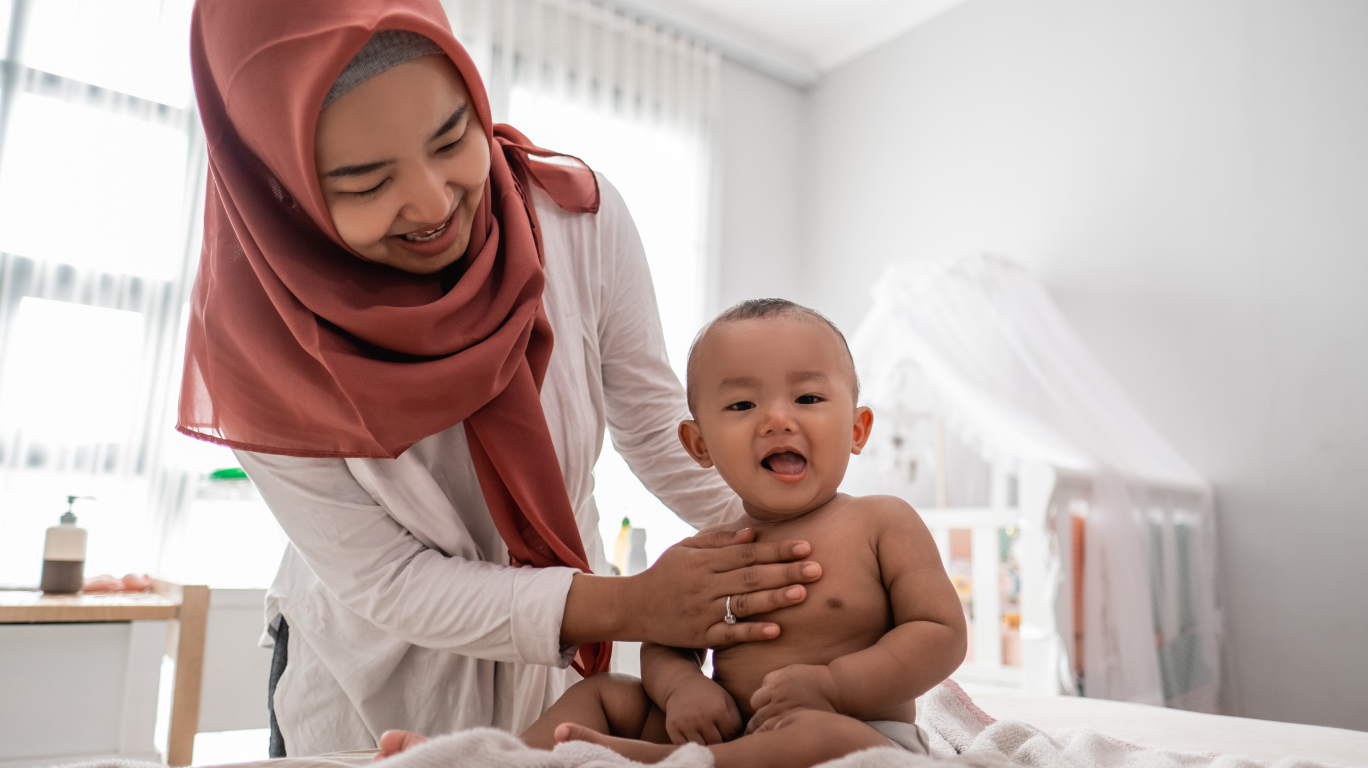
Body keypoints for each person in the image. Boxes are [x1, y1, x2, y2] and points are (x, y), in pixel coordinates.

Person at [180, 0, 821, 756]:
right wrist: (632, 605)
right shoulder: (258, 344)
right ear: (281, 187)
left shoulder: (575, 219)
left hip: (561, 662)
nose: (431, 202)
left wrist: (809, 545)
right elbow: (390, 582)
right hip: (378, 673)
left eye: (454, 138)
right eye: (364, 183)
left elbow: (651, 424)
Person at [377, 299, 968, 767]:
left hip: (855, 731)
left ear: (859, 428)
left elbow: (940, 632)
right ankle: (500, 761)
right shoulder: (707, 553)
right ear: (699, 445)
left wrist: (837, 687)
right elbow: (665, 640)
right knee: (607, 692)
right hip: (730, 724)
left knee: (819, 737)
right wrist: (685, 688)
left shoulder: (882, 522)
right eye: (740, 406)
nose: (777, 418)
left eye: (809, 397)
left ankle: (671, 762)